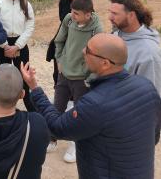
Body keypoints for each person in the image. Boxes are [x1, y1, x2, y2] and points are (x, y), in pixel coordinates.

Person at [21, 33, 161, 179]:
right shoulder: (147, 87)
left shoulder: (95, 103)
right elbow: (154, 136)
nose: (82, 51)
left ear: (105, 63)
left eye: (88, 50)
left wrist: (35, 89)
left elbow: (57, 127)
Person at [49, 0, 103, 162]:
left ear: (88, 14)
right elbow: (59, 40)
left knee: (78, 114)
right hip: (64, 75)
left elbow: (100, 57)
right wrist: (59, 61)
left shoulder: (97, 29)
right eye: (72, 11)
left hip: (81, 79)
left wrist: (89, 79)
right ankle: (52, 139)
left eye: (76, 13)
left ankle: (75, 145)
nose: (72, 15)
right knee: (56, 108)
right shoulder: (69, 19)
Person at [0, 0, 35, 111]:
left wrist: (17, 46)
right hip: (2, 45)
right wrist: (5, 46)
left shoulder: (26, 5)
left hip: (20, 44)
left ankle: (30, 107)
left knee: (24, 76)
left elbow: (30, 26)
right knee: (6, 77)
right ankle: (7, 107)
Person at [109, 0, 161, 95]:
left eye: (115, 13)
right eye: (110, 12)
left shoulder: (149, 53)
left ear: (131, 15)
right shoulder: (115, 35)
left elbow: (152, 95)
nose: (109, 17)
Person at [46, 0, 88, 87]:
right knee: (58, 70)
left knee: (75, 73)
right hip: (64, 35)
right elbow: (63, 21)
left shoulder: (87, 6)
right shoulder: (64, 2)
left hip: (78, 39)